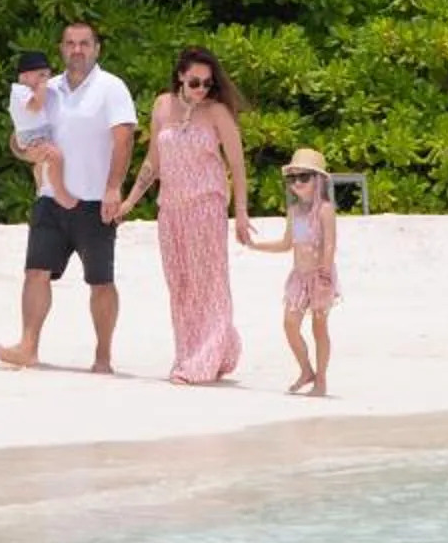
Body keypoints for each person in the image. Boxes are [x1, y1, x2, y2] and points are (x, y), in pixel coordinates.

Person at [0, 21, 137, 373]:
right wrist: (27, 153)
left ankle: (103, 356)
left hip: (94, 200)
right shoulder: (47, 88)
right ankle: (28, 346)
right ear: (61, 49)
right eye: (70, 43)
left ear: (97, 48)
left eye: (84, 43)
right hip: (49, 198)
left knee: (101, 281)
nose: (77, 50)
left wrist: (113, 188)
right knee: (35, 272)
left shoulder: (111, 88)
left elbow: (124, 139)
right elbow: (20, 138)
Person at [119, 48, 252, 385]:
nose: (201, 89)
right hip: (170, 210)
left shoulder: (217, 112)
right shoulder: (162, 105)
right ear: (180, 76)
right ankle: (196, 352)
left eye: (207, 83)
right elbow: (153, 163)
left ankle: (203, 360)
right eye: (195, 82)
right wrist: (129, 202)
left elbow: (236, 165)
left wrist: (240, 212)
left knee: (209, 284)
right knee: (179, 285)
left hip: (206, 207)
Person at [243, 146, 342, 397]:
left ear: (318, 181)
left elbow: (329, 244)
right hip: (298, 277)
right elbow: (287, 245)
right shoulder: (295, 211)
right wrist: (256, 246)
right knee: (290, 324)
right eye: (293, 178)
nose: (297, 182)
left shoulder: (325, 210)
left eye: (304, 177)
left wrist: (325, 274)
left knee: (319, 329)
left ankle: (321, 380)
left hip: (320, 275)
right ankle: (306, 370)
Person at [6, 50, 74, 208]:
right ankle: (59, 192)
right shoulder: (20, 91)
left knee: (43, 163)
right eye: (41, 75)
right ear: (25, 76)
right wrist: (42, 88)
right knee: (54, 156)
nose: (45, 79)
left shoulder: (33, 90)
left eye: (46, 75)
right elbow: (36, 106)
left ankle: (42, 188)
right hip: (33, 136)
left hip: (39, 134)